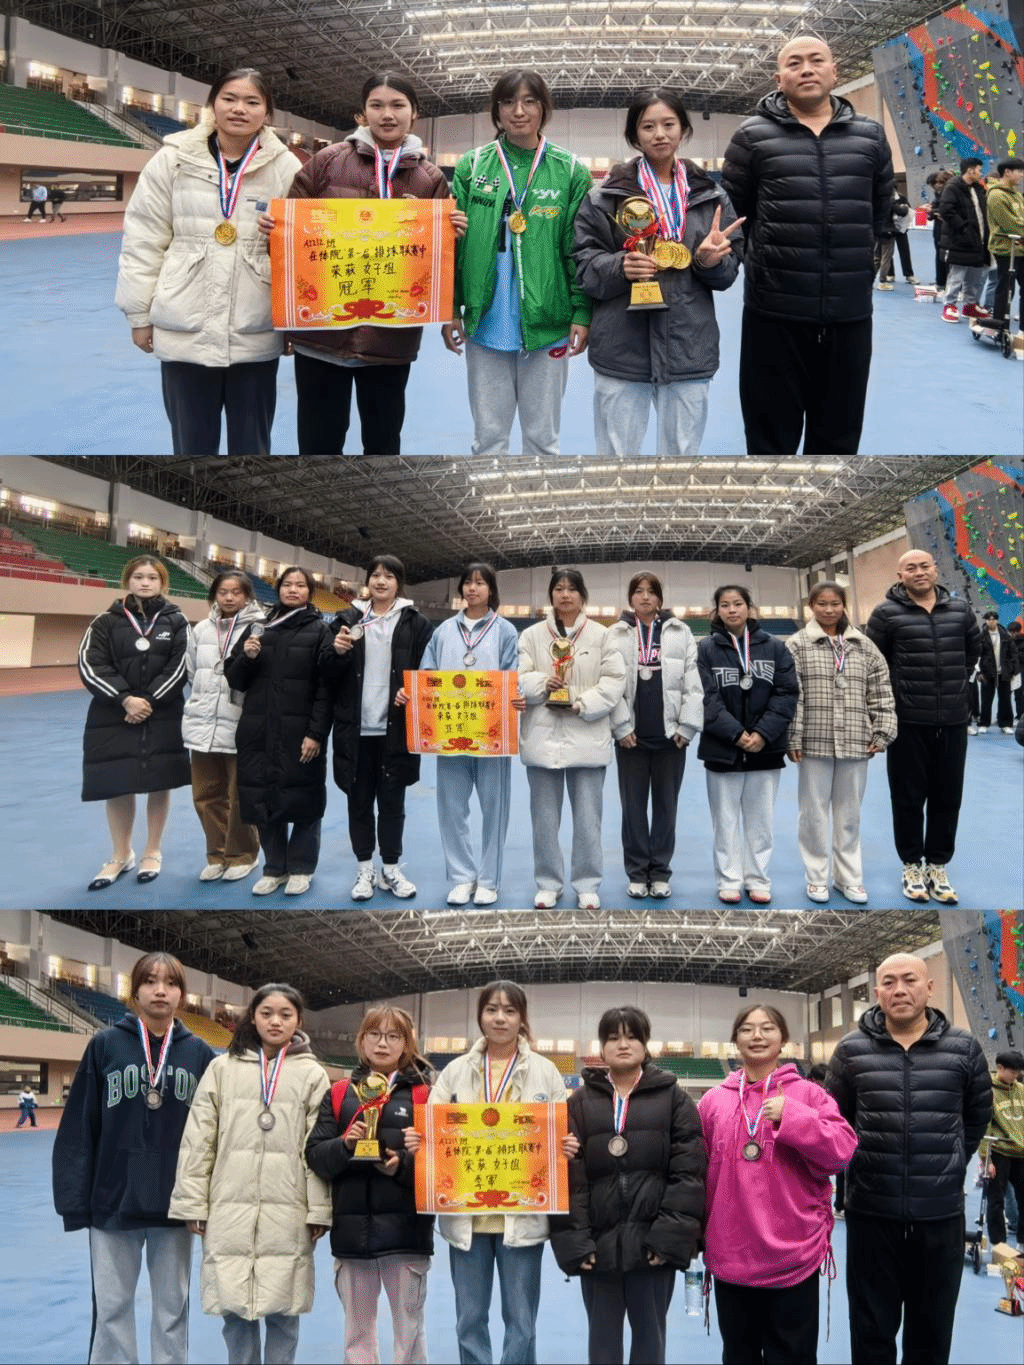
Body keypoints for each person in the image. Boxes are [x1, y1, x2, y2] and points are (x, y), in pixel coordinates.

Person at [275, 73, 464, 454]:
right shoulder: (326, 162)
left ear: (415, 113)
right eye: (376, 105)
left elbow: (436, 261)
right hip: (322, 336)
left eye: (397, 105)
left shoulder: (430, 179)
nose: (387, 114)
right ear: (362, 113)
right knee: (318, 444)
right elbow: (291, 237)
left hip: (389, 339)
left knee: (382, 443)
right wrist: (277, 229)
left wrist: (450, 233)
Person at [115, 68, 301, 454]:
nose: (239, 109)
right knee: (191, 447)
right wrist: (139, 314)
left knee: (252, 448)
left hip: (255, 330)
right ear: (212, 104)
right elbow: (143, 239)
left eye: (252, 102)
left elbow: (305, 247)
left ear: (267, 113)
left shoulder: (286, 168)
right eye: (229, 98)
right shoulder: (173, 159)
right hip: (186, 329)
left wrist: (294, 323)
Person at [722, 36, 893, 454]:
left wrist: (858, 276)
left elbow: (879, 215)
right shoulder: (751, 137)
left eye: (816, 60)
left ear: (835, 72)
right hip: (773, 316)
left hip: (849, 316)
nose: (806, 69)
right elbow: (734, 220)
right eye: (794, 63)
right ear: (779, 79)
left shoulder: (870, 136)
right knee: (769, 440)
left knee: (838, 440)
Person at [826, 953, 992, 1365]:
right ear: (877, 992)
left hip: (939, 1217)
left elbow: (976, 1116)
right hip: (871, 1217)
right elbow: (836, 1123)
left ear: (929, 987)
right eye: (889, 982)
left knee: (931, 1335)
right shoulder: (850, 1051)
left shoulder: (964, 1048)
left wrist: (951, 1162)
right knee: (870, 1333)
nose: (899, 990)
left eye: (909, 980)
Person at [52, 952, 216, 1365]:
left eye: (171, 983)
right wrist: (75, 1202)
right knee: (112, 1310)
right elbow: (79, 1127)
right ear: (135, 990)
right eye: (150, 981)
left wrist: (208, 1200)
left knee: (172, 1311)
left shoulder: (200, 1054)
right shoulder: (105, 1044)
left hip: (176, 1205)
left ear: (182, 994)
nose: (160, 991)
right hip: (112, 1201)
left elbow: (217, 1134)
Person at [572, 89, 743, 454]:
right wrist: (620, 266)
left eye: (669, 124)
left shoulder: (711, 197)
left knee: (681, 460)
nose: (659, 134)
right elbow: (584, 264)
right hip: (622, 350)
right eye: (648, 126)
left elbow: (728, 274)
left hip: (688, 350)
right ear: (634, 135)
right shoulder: (604, 197)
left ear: (683, 129)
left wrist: (709, 262)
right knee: (616, 460)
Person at [169, 983, 331, 1365]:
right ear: (252, 1018)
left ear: (298, 1021)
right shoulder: (221, 1069)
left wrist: (319, 1210)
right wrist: (193, 1203)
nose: (275, 1021)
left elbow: (318, 1147)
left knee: (285, 1310)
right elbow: (198, 1140)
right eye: (266, 1013)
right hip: (229, 1208)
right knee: (234, 1308)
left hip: (288, 1209)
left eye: (285, 1015)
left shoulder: (312, 1075)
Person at [443, 69, 593, 455]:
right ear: (497, 110)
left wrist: (582, 311)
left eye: (529, 101)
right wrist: (451, 308)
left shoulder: (570, 170)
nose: (519, 111)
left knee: (543, 440)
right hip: (485, 322)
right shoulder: (473, 166)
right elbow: (454, 246)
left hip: (548, 323)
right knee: (488, 440)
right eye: (508, 102)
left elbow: (579, 248)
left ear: (544, 109)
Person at [698, 1005, 856, 1365]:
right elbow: (694, 1171)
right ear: (735, 1040)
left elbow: (842, 1152)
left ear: (783, 1039)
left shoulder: (810, 1096)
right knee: (738, 1356)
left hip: (793, 1258)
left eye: (767, 1028)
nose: (757, 1035)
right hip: (731, 1256)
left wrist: (795, 1117)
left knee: (793, 1357)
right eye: (747, 1029)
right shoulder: (713, 1101)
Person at [551, 1006, 705, 1365]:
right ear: (601, 1047)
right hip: (598, 1249)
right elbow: (569, 1179)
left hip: (653, 1248)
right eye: (613, 1037)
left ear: (645, 1044)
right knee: (602, 1347)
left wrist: (667, 1241)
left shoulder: (675, 1100)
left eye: (632, 1036)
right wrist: (577, 1244)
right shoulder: (577, 1104)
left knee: (650, 1344)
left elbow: (688, 1174)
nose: (623, 1044)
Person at [430, 981, 567, 1365]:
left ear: (522, 1018)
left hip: (522, 1218)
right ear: (480, 1016)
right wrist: (420, 1139)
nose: (500, 1018)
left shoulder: (546, 1072)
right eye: (492, 1009)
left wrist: (565, 1145)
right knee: (469, 1320)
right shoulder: (455, 1071)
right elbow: (435, 1131)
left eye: (509, 1010)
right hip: (466, 1220)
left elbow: (558, 1136)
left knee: (521, 1321)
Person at [305, 1005, 435, 1365]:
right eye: (374, 1034)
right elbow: (315, 1155)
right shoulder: (339, 1093)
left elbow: (444, 1163)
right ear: (361, 1040)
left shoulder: (427, 1096)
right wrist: (345, 1145)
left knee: (410, 1334)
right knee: (357, 1336)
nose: (382, 1043)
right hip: (352, 1235)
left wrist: (403, 1165)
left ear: (407, 1043)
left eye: (394, 1036)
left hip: (407, 1234)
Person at [865, 548, 982, 905]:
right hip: (908, 723)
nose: (919, 572)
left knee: (948, 797)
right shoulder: (886, 614)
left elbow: (971, 654)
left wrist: (953, 691)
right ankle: (912, 865)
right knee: (908, 798)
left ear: (935, 569)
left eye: (925, 566)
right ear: (900, 575)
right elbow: (875, 664)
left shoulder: (960, 610)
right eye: (911, 568)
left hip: (952, 722)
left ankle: (938, 865)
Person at [319, 554, 433, 901]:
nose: (381, 581)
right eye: (376, 575)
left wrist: (411, 691)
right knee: (359, 803)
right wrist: (336, 651)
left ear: (399, 583)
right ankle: (364, 868)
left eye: (389, 576)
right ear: (367, 581)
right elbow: (325, 672)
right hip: (355, 729)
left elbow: (429, 673)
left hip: (395, 730)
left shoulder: (416, 623)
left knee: (393, 803)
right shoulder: (346, 619)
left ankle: (391, 869)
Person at [78, 554, 190, 891]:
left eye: (152, 577)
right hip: (114, 714)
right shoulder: (104, 621)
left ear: (162, 583)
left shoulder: (177, 621)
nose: (145, 582)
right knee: (117, 782)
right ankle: (121, 854)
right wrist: (125, 699)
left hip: (162, 713)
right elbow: (90, 664)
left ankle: (152, 851)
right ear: (127, 580)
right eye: (139, 576)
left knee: (159, 781)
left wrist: (149, 701)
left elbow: (180, 667)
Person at [517, 568, 626, 910]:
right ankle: (548, 883)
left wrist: (581, 703)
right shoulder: (531, 635)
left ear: (582, 595)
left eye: (572, 589)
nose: (565, 595)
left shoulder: (602, 635)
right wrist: (542, 684)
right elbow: (518, 677)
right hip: (542, 737)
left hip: (587, 736)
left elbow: (614, 680)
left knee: (588, 820)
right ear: (551, 595)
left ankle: (587, 883)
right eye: (559, 589)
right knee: (544, 821)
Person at [414, 561, 519, 905]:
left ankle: (488, 880)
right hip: (450, 732)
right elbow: (427, 673)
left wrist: (515, 697)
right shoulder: (444, 631)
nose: (473, 589)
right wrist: (415, 693)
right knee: (452, 809)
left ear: (491, 590)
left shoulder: (505, 631)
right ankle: (461, 877)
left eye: (480, 583)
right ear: (461, 589)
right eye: (468, 583)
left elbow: (513, 676)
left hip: (491, 736)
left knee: (495, 810)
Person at [785, 581, 896, 904]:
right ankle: (817, 877)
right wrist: (794, 735)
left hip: (856, 741)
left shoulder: (864, 646)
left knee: (850, 816)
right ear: (811, 607)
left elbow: (881, 690)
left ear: (843, 605)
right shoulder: (796, 645)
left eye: (835, 603)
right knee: (813, 814)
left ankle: (849, 878)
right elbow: (792, 695)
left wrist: (883, 730)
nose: (829, 609)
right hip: (814, 742)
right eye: (822, 603)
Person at [225, 566, 333, 897]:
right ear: (278, 589)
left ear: (310, 592)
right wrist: (247, 657)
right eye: (287, 584)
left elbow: (326, 688)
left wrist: (316, 733)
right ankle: (274, 867)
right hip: (258, 730)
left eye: (301, 585)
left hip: (300, 733)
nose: (293, 590)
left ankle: (301, 867)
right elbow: (235, 679)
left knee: (304, 799)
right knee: (262, 798)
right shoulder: (259, 628)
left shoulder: (320, 630)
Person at [696, 584, 798, 905]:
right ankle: (729, 879)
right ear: (717, 611)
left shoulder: (775, 648)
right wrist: (736, 733)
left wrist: (763, 733)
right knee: (724, 821)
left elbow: (786, 693)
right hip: (722, 748)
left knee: (761, 821)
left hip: (765, 749)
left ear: (749, 607)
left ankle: (757, 879)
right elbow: (705, 697)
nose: (732, 610)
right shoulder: (705, 649)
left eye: (737, 603)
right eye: (725, 605)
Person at [607, 571, 701, 897]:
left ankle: (660, 872)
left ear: (660, 597)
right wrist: (621, 727)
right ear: (630, 598)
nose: (645, 597)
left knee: (666, 808)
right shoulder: (616, 634)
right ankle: (636, 872)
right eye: (638, 591)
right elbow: (609, 684)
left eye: (651, 591)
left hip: (671, 737)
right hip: (631, 738)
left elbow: (693, 683)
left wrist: (687, 726)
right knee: (632, 810)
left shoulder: (680, 631)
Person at [182, 569, 265, 883]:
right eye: (222, 592)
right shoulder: (201, 629)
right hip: (203, 722)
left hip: (240, 722)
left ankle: (243, 855)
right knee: (205, 794)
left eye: (236, 592)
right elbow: (192, 670)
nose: (229, 598)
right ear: (214, 595)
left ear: (247, 595)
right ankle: (216, 854)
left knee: (239, 794)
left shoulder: (260, 627)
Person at [938, 157, 992, 324]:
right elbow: (946, 210)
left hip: (978, 240)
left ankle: (970, 305)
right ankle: (949, 305)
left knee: (974, 276)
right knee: (957, 275)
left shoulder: (978, 189)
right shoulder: (953, 187)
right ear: (970, 170)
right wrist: (963, 228)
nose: (980, 173)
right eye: (979, 170)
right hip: (959, 241)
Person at [984, 1050, 1024, 1252]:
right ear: (1000, 1068)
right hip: (1000, 1151)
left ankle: (1022, 1243)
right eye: (1013, 1071)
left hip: (1021, 1153)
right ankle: (998, 1245)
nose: (1016, 1076)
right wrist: (986, 1158)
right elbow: (985, 1125)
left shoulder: (1021, 1090)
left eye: (1019, 1072)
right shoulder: (987, 1091)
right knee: (996, 1201)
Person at [986, 158, 1024, 332]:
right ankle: (1000, 327)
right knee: (1006, 290)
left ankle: (1022, 330)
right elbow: (1011, 224)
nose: (1022, 175)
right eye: (1019, 171)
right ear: (1007, 172)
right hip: (1006, 249)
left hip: (1021, 248)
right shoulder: (996, 195)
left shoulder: (1016, 195)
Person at [978, 610, 1016, 734]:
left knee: (1005, 699)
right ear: (985, 621)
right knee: (986, 700)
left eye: (993, 619)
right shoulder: (981, 636)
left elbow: (1013, 654)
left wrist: (1012, 670)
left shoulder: (1005, 635)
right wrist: (979, 672)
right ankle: (984, 723)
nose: (991, 621)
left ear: (997, 620)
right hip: (987, 673)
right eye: (989, 619)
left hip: (1004, 672)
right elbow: (977, 655)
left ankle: (1005, 724)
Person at [926, 169, 954, 289]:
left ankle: (947, 283)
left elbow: (947, 210)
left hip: (947, 230)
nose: (937, 185)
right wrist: (931, 212)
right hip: (939, 229)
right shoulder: (938, 194)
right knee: (939, 256)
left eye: (940, 182)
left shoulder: (950, 193)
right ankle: (940, 281)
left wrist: (933, 211)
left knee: (947, 258)